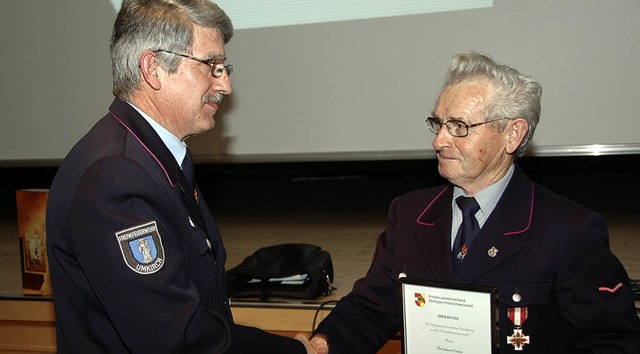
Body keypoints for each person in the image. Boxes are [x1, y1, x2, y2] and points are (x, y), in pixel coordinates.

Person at [308, 52, 640, 353]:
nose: (439, 141)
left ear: (513, 134)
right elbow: (372, 306)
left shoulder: (568, 231)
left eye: (460, 127)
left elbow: (613, 341)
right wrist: (325, 343)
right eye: (438, 124)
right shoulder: (409, 214)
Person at [46, 1, 315, 353]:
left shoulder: (146, 156)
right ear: (153, 68)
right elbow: (177, 338)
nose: (226, 85)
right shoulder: (114, 177)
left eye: (224, 67)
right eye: (211, 66)